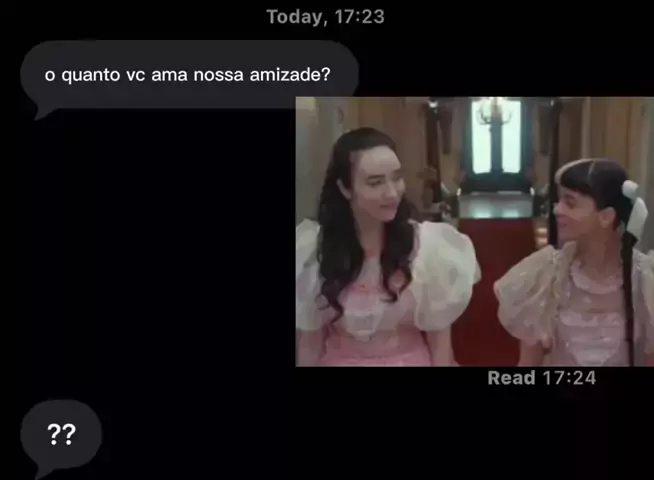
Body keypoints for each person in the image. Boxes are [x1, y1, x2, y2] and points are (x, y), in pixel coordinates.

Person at [295, 127, 480, 366]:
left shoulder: (429, 248)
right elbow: (310, 346)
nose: (392, 193)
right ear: (345, 188)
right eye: (375, 183)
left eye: (397, 177)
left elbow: (441, 347)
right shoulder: (313, 251)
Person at [494, 159, 653, 367]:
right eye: (559, 201)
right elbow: (528, 364)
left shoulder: (646, 279)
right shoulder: (546, 274)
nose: (557, 210)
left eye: (570, 203)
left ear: (606, 217)